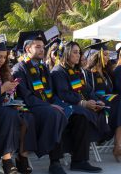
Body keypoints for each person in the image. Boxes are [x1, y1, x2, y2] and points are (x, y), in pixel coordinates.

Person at [13, 31, 102, 174]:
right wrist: (50, 106)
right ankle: (55, 163)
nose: (42, 49)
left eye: (43, 46)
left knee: (80, 115)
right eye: (38, 47)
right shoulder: (19, 69)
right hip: (31, 108)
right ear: (27, 49)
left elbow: (51, 93)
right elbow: (27, 97)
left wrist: (59, 104)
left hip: (48, 105)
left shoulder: (42, 68)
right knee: (55, 114)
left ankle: (80, 160)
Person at [52, 41, 121, 163]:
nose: (78, 55)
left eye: (79, 52)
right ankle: (80, 160)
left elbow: (88, 90)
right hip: (70, 107)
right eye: (75, 52)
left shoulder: (77, 71)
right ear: (66, 54)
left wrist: (98, 101)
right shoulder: (58, 71)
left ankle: (116, 145)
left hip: (85, 104)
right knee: (83, 115)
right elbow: (64, 94)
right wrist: (84, 103)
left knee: (117, 103)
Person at [0, 34, 37, 174]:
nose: (2, 60)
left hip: (3, 109)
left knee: (28, 115)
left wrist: (11, 98)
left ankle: (22, 158)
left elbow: (5, 97)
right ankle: (7, 160)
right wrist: (3, 89)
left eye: (4, 57)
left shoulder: (2, 71)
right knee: (9, 114)